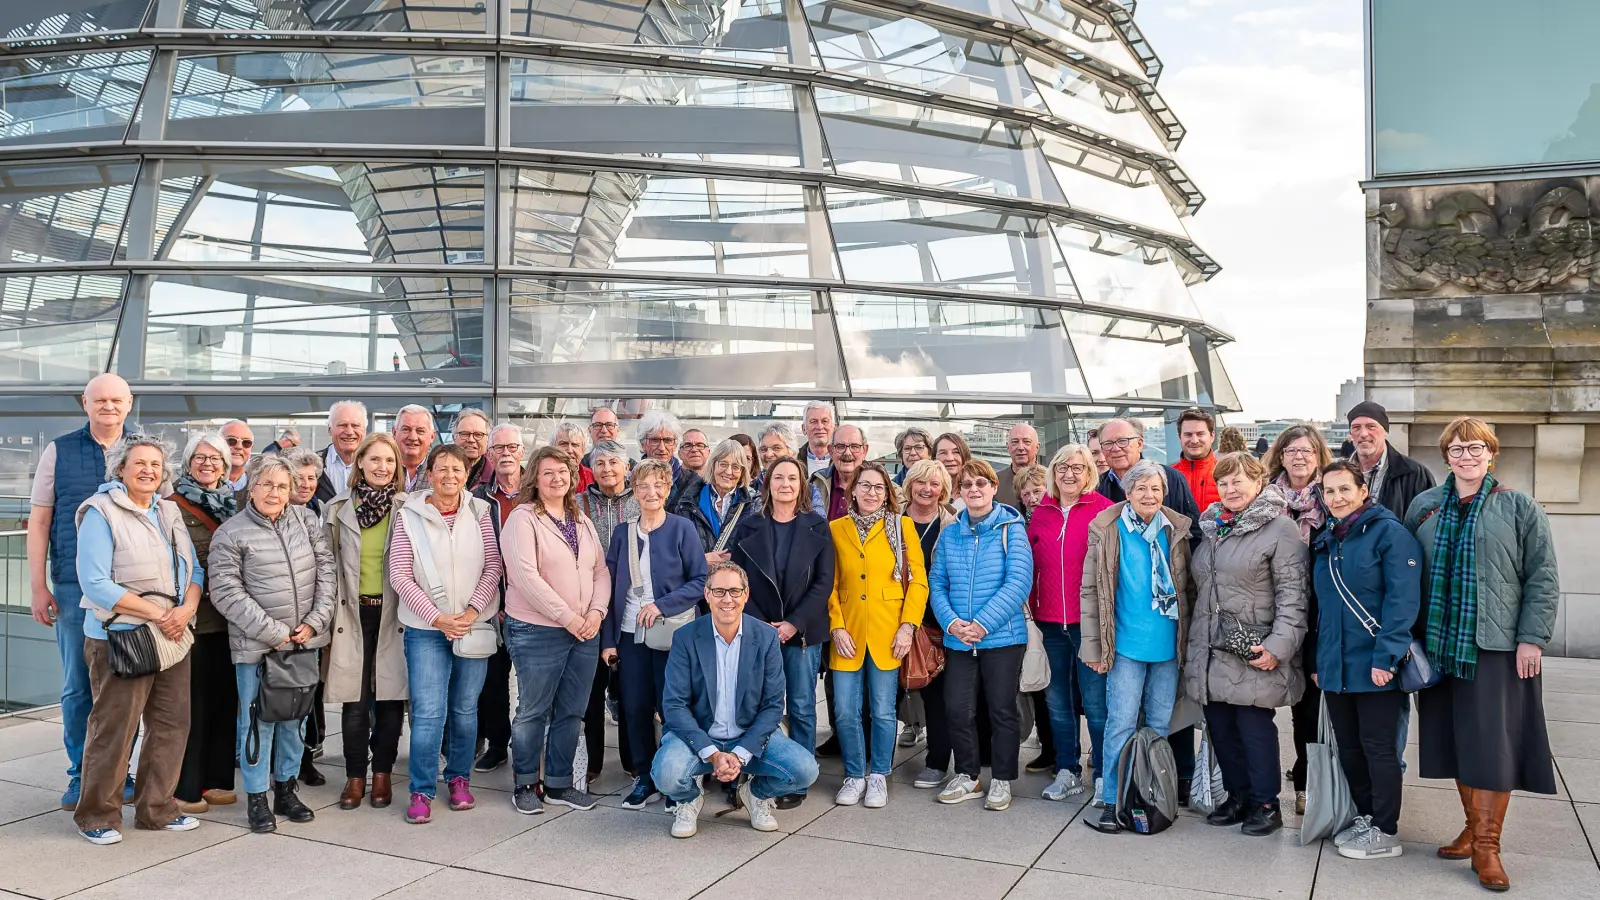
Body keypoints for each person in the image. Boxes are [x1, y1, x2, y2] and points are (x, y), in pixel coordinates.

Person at [1405, 416, 1560, 892]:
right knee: (1456, 741)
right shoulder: (1425, 506)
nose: (1466, 457)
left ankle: (1488, 846)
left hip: (1495, 647)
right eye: (1456, 450)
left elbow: (1543, 576)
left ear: (1491, 453)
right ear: (1445, 456)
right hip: (1438, 643)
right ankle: (1473, 827)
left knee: (1493, 745)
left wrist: (1532, 637)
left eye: (1475, 449)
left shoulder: (1517, 505)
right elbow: (1407, 569)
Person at [71, 435, 203, 845]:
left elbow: (194, 571)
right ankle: (97, 815)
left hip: (172, 636)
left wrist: (185, 611)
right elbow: (94, 583)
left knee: (171, 725)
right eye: (139, 463)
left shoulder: (169, 511)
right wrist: (159, 614)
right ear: (121, 469)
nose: (148, 470)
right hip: (122, 637)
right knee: (115, 729)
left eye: (156, 465)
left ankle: (157, 809)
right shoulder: (101, 511)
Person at [209, 454, 336, 834]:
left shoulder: (307, 520)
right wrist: (274, 632)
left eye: (282, 485)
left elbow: (327, 572)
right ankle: (257, 797)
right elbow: (226, 592)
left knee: (294, 722)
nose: (275, 492)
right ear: (251, 486)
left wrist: (314, 623)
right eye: (266, 484)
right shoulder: (231, 533)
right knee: (257, 723)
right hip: (258, 648)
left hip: (303, 643)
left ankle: (286, 788)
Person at [29, 373, 138, 811]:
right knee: (79, 686)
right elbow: (39, 521)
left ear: (129, 403)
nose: (108, 406)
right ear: (85, 404)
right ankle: (81, 774)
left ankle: (121, 771)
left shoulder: (143, 452)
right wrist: (38, 586)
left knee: (126, 686)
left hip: (132, 590)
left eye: (116, 399)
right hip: (74, 589)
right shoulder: (59, 450)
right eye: (100, 400)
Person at [1186, 452, 1308, 838]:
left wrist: (1279, 645)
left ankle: (1265, 803)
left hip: (1254, 645)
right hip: (1212, 645)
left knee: (1254, 725)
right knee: (1221, 726)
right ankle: (1237, 795)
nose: (1230, 489)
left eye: (1238, 481)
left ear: (1259, 483)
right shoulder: (1212, 527)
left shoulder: (1280, 528)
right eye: (1223, 483)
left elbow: (1295, 593)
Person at [652, 562, 822, 838]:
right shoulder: (685, 637)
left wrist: (740, 755)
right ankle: (689, 798)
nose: (727, 599)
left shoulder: (765, 637)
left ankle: (755, 794)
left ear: (746, 594)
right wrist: (713, 754)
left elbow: (772, 705)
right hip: (698, 736)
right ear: (706, 595)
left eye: (734, 591)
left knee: (804, 770)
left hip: (749, 735)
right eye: (719, 591)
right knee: (666, 775)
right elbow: (674, 705)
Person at [1311, 460, 1421, 861]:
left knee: (1379, 748)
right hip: (1336, 665)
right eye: (1329, 491)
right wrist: (1318, 660)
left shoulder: (1389, 534)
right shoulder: (1328, 538)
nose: (1336, 497)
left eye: (1344, 489)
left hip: (1376, 662)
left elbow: (1402, 600)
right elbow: (1322, 608)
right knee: (1351, 748)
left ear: (1362, 491)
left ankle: (1386, 829)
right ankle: (1366, 816)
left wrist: (1387, 657)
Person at [390, 444, 503, 824]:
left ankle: (458, 778)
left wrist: (470, 613)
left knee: (464, 709)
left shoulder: (480, 511)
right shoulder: (409, 514)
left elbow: (493, 567)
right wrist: (438, 617)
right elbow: (400, 574)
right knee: (428, 713)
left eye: (457, 468)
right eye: (442, 468)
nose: (449, 475)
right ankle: (421, 789)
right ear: (430, 472)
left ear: (466, 474)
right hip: (425, 629)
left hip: (473, 625)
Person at [1078, 459, 1192, 833]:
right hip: (1126, 645)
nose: (1149, 495)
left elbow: (1188, 589)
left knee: (1159, 727)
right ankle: (1112, 801)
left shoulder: (1176, 530)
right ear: (1127, 493)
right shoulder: (1107, 529)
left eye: (1156, 489)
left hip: (1167, 647)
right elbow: (1092, 592)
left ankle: (1149, 795)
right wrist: (1094, 648)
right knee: (1121, 725)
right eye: (1141, 488)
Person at [501, 446, 611, 815]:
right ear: (535, 477)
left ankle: (560, 784)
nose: (557, 479)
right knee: (533, 710)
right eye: (548, 472)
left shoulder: (580, 518)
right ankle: (525, 782)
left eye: (563, 472)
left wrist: (596, 613)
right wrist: (570, 619)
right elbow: (526, 578)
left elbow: (600, 571)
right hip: (538, 631)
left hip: (584, 631)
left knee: (571, 711)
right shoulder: (522, 519)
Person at [727, 455, 834, 808]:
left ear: (801, 485)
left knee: (802, 706)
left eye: (792, 478)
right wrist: (763, 626)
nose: (785, 484)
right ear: (767, 484)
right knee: (757, 707)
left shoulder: (818, 526)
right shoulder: (749, 526)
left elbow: (823, 583)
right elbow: (738, 582)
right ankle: (755, 769)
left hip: (802, 633)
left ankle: (797, 779)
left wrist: (792, 624)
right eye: (778, 478)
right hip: (758, 632)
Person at [602, 459, 708, 810]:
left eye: (658, 485)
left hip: (671, 634)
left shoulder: (681, 529)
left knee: (671, 707)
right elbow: (609, 588)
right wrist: (608, 640)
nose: (651, 492)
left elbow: (700, 581)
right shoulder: (623, 533)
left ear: (667, 489)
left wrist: (662, 605)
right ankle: (645, 777)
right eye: (644, 486)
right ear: (635, 490)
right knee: (634, 707)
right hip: (631, 634)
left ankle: (674, 778)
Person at [928, 458, 1033, 811]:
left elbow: (1018, 582)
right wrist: (952, 623)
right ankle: (968, 775)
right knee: (957, 708)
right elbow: (937, 583)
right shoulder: (950, 533)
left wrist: (983, 624)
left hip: (1002, 637)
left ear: (992, 488)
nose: (974, 490)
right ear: (959, 492)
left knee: (1002, 709)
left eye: (981, 484)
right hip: (959, 637)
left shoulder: (1010, 528)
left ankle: (1001, 779)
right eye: (968, 485)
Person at [827, 463, 927, 808]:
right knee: (844, 711)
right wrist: (836, 625)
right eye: (865, 486)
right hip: (848, 631)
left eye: (879, 487)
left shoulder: (903, 527)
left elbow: (918, 581)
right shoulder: (836, 529)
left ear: (888, 493)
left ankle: (878, 775)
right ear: (852, 490)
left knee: (884, 711)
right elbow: (830, 583)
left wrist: (907, 626)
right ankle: (855, 775)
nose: (871, 493)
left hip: (889, 632)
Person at [323, 433, 409, 812]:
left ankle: (382, 775)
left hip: (393, 614)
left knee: (390, 697)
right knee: (354, 700)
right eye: (374, 460)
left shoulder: (407, 508)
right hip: (351, 614)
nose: (381, 467)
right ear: (359, 463)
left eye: (389, 461)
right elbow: (327, 567)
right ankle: (355, 775)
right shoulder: (337, 508)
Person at [1026, 444, 1112, 802]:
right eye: (1063, 467)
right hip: (1048, 624)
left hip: (1087, 623)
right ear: (1053, 472)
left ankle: (1107, 773)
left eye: (1078, 467)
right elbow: (1030, 567)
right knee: (1057, 703)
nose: (1070, 474)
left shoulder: (1105, 511)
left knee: (1095, 705)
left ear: (1089, 472)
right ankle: (1067, 769)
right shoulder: (1040, 512)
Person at [1263, 424, 1333, 815]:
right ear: (1281, 455)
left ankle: (1306, 782)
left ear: (1319, 455)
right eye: (1291, 450)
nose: (1299, 457)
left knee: (1308, 705)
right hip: (1271, 612)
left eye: (1307, 450)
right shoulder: (1265, 500)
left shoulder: (1334, 498)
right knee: (1262, 702)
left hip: (1318, 614)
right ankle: (1259, 786)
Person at [170, 433, 241, 815]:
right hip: (193, 619)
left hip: (231, 621)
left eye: (215, 458)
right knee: (192, 705)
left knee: (224, 701)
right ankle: (187, 785)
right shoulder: (171, 506)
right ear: (188, 462)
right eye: (200, 457)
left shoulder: (237, 504)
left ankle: (218, 780)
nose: (208, 464)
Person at [579, 439, 642, 778]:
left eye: (614, 463)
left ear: (626, 467)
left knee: (629, 689)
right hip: (588, 604)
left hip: (628, 605)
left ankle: (632, 761)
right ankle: (591, 763)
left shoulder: (641, 502)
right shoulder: (578, 503)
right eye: (600, 463)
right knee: (591, 691)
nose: (607, 470)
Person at [471, 424, 528, 774]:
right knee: (493, 680)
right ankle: (497, 743)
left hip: (532, 601)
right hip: (491, 599)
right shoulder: (476, 496)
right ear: (490, 455)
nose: (505, 453)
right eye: (499, 448)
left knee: (530, 680)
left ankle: (526, 744)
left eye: (512, 446)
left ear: (522, 451)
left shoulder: (538, 490)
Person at [900, 459, 959, 788]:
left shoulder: (953, 524)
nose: (927, 489)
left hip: (936, 621)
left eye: (934, 484)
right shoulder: (892, 522)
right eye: (921, 482)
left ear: (944, 489)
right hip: (893, 618)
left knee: (937, 696)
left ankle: (937, 761)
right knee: (883, 693)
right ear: (909, 484)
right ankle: (871, 762)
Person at [1094, 418, 1200, 544]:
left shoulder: (1170, 478)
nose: (1116, 448)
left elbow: (1194, 531)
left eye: (1123, 441)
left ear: (1139, 444)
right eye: (1108, 443)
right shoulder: (1097, 485)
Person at [675, 438, 762, 566]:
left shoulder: (754, 505)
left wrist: (735, 559)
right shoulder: (687, 502)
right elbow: (677, 553)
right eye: (723, 464)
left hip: (735, 583)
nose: (728, 472)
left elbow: (760, 554)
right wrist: (701, 560)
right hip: (698, 581)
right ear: (713, 464)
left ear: (742, 472)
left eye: (736, 467)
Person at [1347, 400, 1436, 518]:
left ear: (1385, 431)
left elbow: (1428, 525)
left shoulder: (1415, 474)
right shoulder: (1338, 475)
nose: (1363, 433)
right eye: (1356, 427)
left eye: (1371, 426)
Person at [637, 409, 697, 509]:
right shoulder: (631, 479)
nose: (662, 448)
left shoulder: (692, 482)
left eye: (668, 440)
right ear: (643, 444)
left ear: (675, 445)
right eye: (655, 440)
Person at [810, 424, 867, 521]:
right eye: (840, 446)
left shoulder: (883, 488)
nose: (847, 453)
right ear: (831, 451)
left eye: (854, 446)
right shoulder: (814, 485)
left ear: (865, 451)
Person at [314, 400, 367, 503]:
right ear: (329, 430)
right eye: (342, 425)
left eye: (355, 425)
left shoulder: (377, 467)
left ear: (364, 430)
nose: (349, 432)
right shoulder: (313, 465)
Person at [1173, 408, 1221, 512]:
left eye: (1200, 434)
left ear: (1212, 436)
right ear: (1179, 437)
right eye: (1188, 434)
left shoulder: (1226, 473)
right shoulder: (1166, 476)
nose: (1194, 440)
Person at [995, 423, 1041, 508]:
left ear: (1037, 447)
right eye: (1015, 442)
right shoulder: (995, 482)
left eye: (1027, 442)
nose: (1020, 447)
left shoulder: (1051, 480)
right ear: (1008, 447)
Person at [394, 404, 436, 492]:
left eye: (420, 431)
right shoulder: (382, 468)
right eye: (406, 429)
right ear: (394, 433)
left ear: (432, 436)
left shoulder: (442, 469)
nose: (413, 437)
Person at [551, 421, 597, 493]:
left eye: (575, 445)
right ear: (553, 449)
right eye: (563, 444)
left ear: (583, 451)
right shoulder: (543, 477)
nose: (570, 450)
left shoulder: (593, 477)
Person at [451, 408, 493, 488]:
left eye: (478, 434)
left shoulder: (497, 476)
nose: (471, 440)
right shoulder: (438, 470)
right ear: (454, 438)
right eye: (464, 434)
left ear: (488, 439)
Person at [286, 447, 324, 516]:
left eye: (310, 478)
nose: (306, 485)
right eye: (299, 478)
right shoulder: (272, 514)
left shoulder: (322, 511)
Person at [801, 400, 835, 476]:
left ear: (834, 427)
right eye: (813, 421)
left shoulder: (844, 460)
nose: (820, 427)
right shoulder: (793, 460)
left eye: (825, 421)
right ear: (804, 429)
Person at [220, 420, 255, 493]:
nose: (239, 446)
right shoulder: (201, 484)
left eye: (246, 442)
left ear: (251, 448)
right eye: (231, 440)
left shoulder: (259, 485)